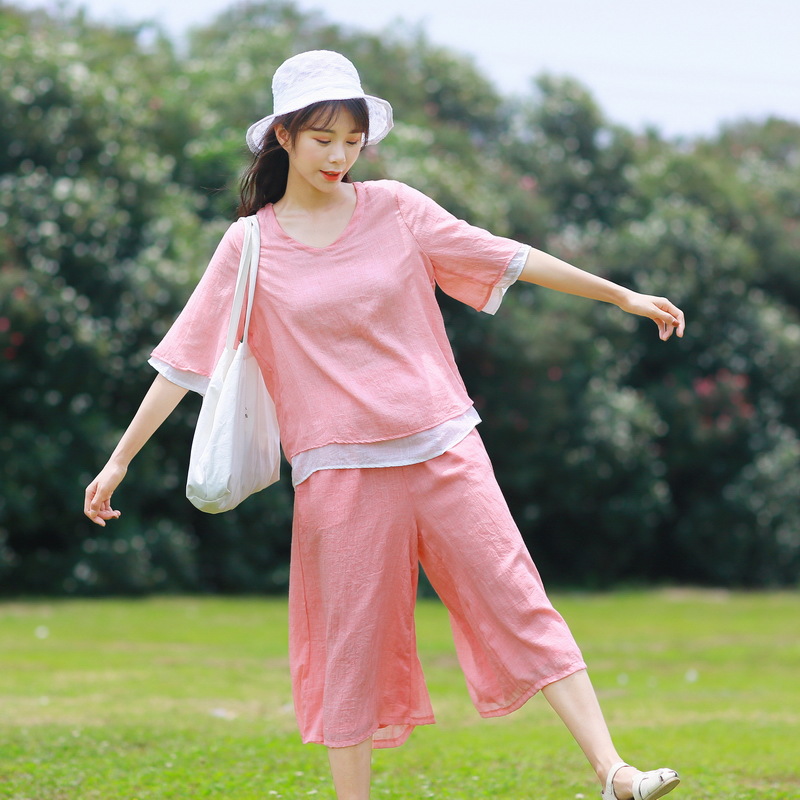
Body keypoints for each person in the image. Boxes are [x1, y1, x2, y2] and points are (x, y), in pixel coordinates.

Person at [84, 50, 685, 800]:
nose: (338, 155)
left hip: (444, 446)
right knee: (351, 651)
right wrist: (119, 461)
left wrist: (622, 295)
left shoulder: (396, 209)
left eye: (352, 140)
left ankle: (613, 772)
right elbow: (184, 359)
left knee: (520, 603)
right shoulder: (250, 245)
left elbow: (504, 256)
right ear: (283, 137)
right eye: (322, 139)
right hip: (339, 474)